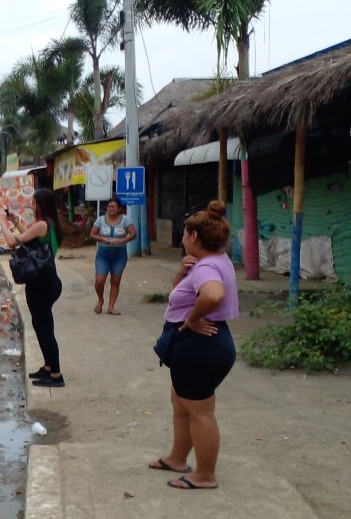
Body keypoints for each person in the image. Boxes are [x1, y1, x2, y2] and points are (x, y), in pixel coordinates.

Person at [149, 200, 239, 490]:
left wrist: (192, 319)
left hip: (201, 345)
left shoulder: (206, 267)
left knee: (200, 411)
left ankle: (205, 475)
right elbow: (181, 294)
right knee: (181, 403)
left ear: (195, 236)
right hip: (200, 344)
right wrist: (181, 272)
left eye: (185, 234)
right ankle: (177, 458)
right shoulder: (213, 261)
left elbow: (213, 295)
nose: (182, 239)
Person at [0, 188, 65, 388]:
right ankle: (48, 367)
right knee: (39, 326)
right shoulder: (47, 223)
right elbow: (29, 235)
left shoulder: (42, 224)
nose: (31, 206)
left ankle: (56, 375)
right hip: (45, 282)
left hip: (42, 285)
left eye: (34, 203)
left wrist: (2, 221)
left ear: (42, 205)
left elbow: (12, 242)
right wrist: (15, 221)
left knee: (46, 330)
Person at [90, 197, 137, 315]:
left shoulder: (126, 220)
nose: (111, 208)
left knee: (115, 281)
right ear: (106, 208)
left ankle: (111, 307)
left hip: (119, 255)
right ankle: (100, 300)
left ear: (119, 208)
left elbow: (133, 234)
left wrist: (122, 241)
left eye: (114, 206)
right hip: (103, 254)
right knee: (99, 280)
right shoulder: (100, 220)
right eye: (109, 206)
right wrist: (102, 239)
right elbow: (92, 234)